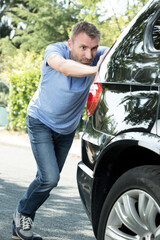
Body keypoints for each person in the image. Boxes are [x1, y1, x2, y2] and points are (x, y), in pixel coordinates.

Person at [12, 21, 109, 240]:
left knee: (45, 179)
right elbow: (64, 67)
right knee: (50, 178)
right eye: (83, 47)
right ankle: (23, 213)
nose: (89, 54)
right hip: (40, 121)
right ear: (70, 43)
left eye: (94, 49)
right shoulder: (54, 51)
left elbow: (122, 48)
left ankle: (21, 221)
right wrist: (96, 68)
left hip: (66, 130)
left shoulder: (99, 54)